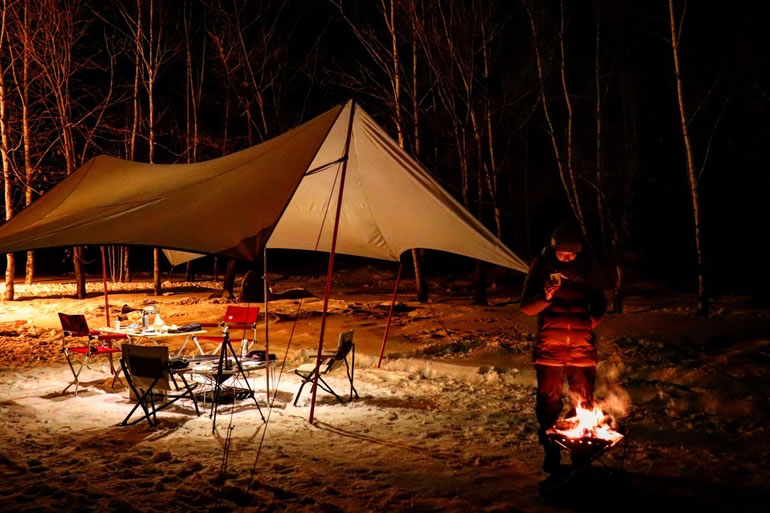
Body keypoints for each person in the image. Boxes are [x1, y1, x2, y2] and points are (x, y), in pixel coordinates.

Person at [520, 223, 606, 473]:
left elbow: (600, 302)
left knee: (582, 402)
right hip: (550, 350)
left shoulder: (588, 270)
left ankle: (580, 450)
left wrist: (589, 323)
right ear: (553, 250)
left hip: (581, 350)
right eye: (562, 254)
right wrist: (545, 297)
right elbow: (526, 308)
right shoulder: (541, 269)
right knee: (549, 404)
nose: (567, 258)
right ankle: (551, 450)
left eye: (572, 254)